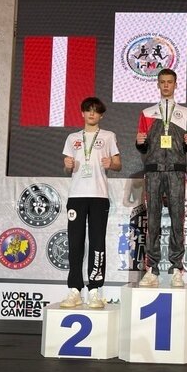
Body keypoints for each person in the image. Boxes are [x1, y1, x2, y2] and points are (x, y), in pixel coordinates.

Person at [136, 68, 187, 287]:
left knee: (177, 220)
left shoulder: (186, 113)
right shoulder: (147, 112)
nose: (166, 85)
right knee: (152, 220)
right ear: (158, 84)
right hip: (153, 171)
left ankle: (176, 268)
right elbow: (142, 145)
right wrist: (140, 142)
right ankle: (151, 269)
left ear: (175, 84)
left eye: (169, 82)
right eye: (162, 82)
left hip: (176, 171)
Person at [60, 97, 122, 308]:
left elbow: (118, 164)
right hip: (76, 196)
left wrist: (111, 163)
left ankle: (94, 290)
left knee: (97, 243)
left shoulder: (108, 136)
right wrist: (67, 165)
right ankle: (75, 290)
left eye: (96, 111)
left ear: (101, 115)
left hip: (99, 196)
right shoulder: (72, 138)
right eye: (88, 110)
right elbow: (66, 168)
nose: (92, 114)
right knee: (75, 243)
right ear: (82, 113)